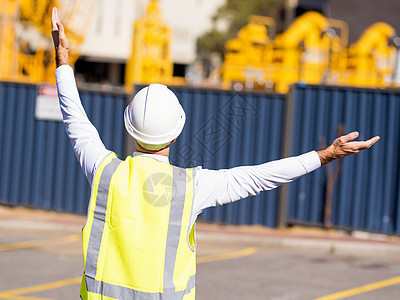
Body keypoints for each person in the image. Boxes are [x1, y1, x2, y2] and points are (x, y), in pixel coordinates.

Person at [51, 7, 379, 300]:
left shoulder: (104, 172)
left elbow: (76, 121)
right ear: (177, 131)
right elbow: (259, 177)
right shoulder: (191, 187)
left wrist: (62, 58)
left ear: (128, 127)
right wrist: (324, 155)